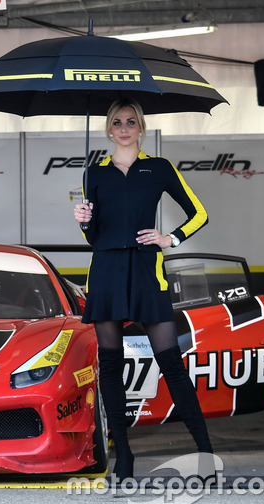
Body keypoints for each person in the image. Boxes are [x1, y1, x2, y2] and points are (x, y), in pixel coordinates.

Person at [73, 98, 212, 481]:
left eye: (131, 122)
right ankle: (125, 458)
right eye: (116, 122)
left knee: (171, 364)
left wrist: (171, 238)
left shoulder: (159, 168)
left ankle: (205, 454)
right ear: (108, 128)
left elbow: (199, 212)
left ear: (141, 128)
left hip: (146, 270)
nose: (123, 128)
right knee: (111, 368)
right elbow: (93, 236)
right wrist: (83, 221)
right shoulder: (94, 173)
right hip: (105, 270)